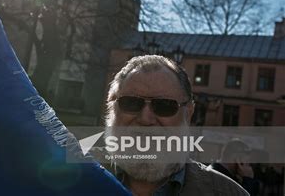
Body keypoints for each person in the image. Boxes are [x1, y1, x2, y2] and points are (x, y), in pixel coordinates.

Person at [105, 55, 248, 196]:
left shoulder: (229, 193)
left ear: (188, 114)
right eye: (131, 103)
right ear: (111, 108)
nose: (145, 119)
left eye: (164, 106)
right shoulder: (83, 181)